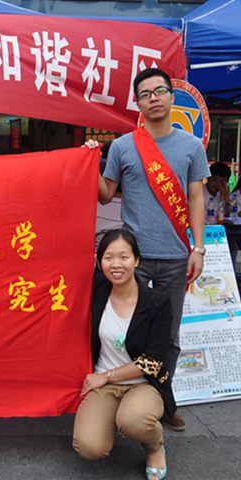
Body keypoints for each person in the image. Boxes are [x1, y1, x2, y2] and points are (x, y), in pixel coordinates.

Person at [89, 67, 210, 431]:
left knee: (168, 336)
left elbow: (196, 199)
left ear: (172, 96)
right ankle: (123, 396)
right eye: (145, 94)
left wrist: (199, 248)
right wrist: (87, 161)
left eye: (159, 91)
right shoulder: (123, 146)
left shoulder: (191, 146)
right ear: (137, 103)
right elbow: (105, 194)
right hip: (132, 260)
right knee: (128, 330)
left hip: (176, 257)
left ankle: (163, 400)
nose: (153, 98)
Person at [73, 230, 175, 480]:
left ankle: (154, 446)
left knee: (135, 422)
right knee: (89, 447)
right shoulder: (96, 291)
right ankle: (116, 415)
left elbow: (152, 362)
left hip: (143, 383)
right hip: (104, 385)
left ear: (137, 260)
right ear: (99, 262)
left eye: (124, 257)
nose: (116, 264)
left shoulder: (157, 301)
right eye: (108, 258)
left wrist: (107, 376)